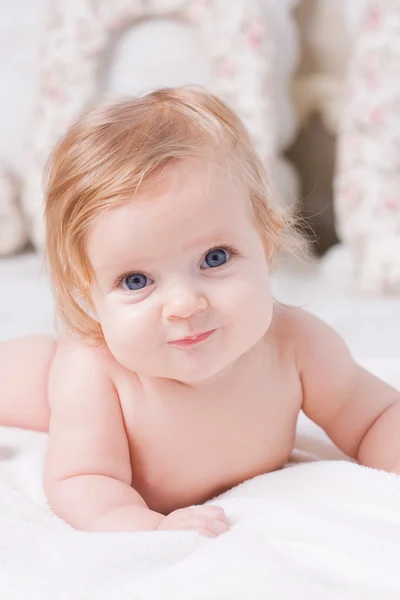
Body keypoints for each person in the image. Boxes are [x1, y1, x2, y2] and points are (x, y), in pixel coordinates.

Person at [1, 87, 399, 537]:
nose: (185, 305)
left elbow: (376, 416)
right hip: (45, 377)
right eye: (136, 281)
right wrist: (145, 527)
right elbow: (83, 479)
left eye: (215, 258)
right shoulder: (96, 373)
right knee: (26, 372)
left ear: (265, 243)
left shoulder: (298, 343)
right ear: (88, 295)